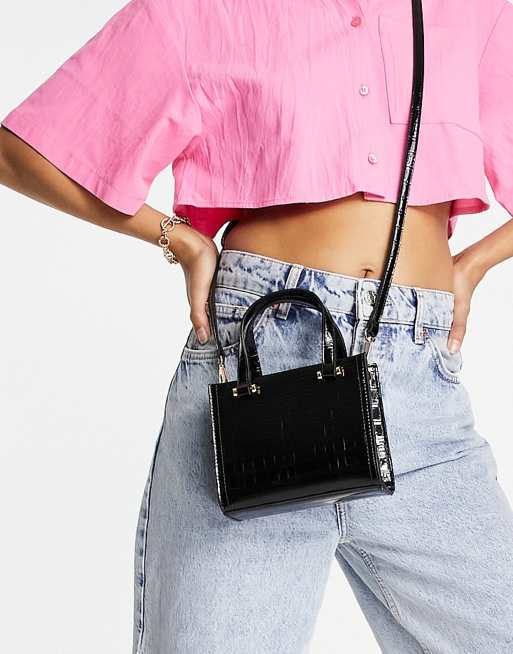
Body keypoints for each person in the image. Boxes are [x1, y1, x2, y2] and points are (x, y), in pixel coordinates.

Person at [1, 0, 513, 652]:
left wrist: (474, 263)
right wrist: (177, 237)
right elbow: (25, 149)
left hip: (419, 386)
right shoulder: (203, 10)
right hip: (256, 374)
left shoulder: (472, 10)